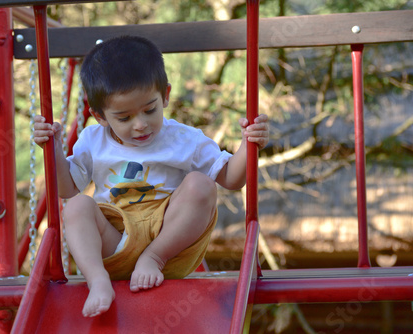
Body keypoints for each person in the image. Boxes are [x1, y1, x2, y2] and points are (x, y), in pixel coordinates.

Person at [34, 35, 269, 318]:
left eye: (150, 109)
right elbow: (68, 188)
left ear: (165, 95)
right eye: (124, 118)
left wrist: (248, 143)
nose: (141, 124)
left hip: (168, 243)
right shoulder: (92, 139)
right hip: (115, 240)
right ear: (100, 116)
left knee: (200, 184)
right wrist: (54, 148)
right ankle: (97, 280)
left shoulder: (183, 138)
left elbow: (232, 178)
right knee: (77, 206)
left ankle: (152, 258)